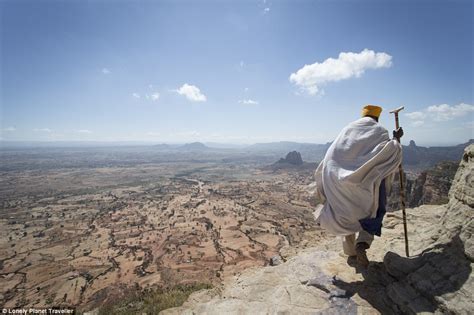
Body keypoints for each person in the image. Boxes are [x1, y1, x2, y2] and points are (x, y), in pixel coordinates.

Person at [313, 105, 403, 267]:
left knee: (344, 209)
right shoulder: (379, 130)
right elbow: (387, 153)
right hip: (365, 180)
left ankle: (350, 251)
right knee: (374, 209)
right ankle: (362, 243)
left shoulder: (348, 129)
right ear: (377, 117)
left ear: (363, 115)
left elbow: (334, 153)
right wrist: (396, 140)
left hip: (338, 179)